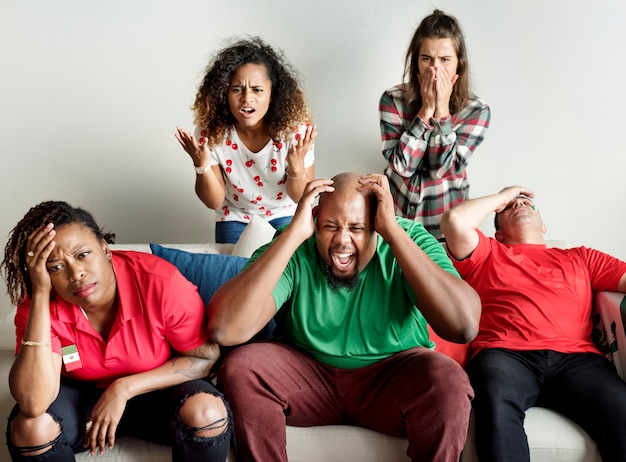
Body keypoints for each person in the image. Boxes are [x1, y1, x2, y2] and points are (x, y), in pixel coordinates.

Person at [208, 172, 481, 462]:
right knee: (243, 366)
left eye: (357, 228)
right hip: (308, 377)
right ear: (314, 220)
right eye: (330, 226)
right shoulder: (296, 242)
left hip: (391, 376)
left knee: (447, 378)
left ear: (377, 223)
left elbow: (463, 326)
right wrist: (294, 235)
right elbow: (225, 330)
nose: (342, 241)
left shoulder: (407, 238)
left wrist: (392, 232)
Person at [1, 201, 232, 462]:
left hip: (157, 394)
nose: (76, 273)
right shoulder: (40, 302)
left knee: (207, 413)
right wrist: (41, 294)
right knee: (30, 428)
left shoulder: (160, 283)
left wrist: (123, 389)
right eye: (56, 267)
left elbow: (206, 357)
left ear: (105, 249)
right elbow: (34, 403)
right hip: (80, 401)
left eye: (82, 254)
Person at [440, 186, 626, 461]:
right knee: (493, 399)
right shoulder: (487, 252)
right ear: (498, 233)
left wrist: (510, 202)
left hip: (577, 360)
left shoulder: (581, 257)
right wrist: (503, 196)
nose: (519, 205)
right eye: (508, 207)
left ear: (544, 225)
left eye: (527, 203)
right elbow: (454, 221)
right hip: (505, 356)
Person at [176, 36, 317, 244]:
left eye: (257, 90)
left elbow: (301, 198)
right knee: (238, 271)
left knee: (287, 271)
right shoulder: (211, 133)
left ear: (272, 94)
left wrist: (296, 168)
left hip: (284, 212)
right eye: (237, 89)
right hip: (235, 215)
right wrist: (201, 166)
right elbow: (214, 201)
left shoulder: (295, 132)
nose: (247, 98)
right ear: (223, 93)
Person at [379, 9, 490, 240]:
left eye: (444, 60)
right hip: (395, 223)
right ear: (416, 62)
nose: (434, 69)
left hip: (445, 230)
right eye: (426, 59)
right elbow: (402, 166)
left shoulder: (477, 111)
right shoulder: (392, 100)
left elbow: (442, 170)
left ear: (458, 64)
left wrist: (441, 112)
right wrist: (425, 110)